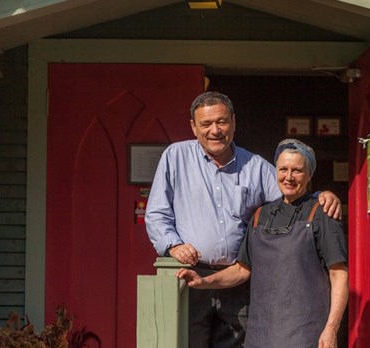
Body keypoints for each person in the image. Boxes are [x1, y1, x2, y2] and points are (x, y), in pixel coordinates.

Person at [145, 92, 342, 348]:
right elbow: (156, 214)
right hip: (192, 277)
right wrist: (173, 245)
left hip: (239, 281)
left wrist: (321, 196)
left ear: (234, 122)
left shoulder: (256, 166)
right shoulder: (175, 157)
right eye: (206, 124)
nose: (215, 130)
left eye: (222, 121)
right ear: (194, 127)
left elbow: (291, 190)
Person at [176, 139, 348, 348]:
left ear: (309, 174)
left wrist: (331, 328)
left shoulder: (322, 214)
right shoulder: (260, 216)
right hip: (261, 332)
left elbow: (339, 275)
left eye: (297, 171)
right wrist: (204, 282)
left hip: (305, 332)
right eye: (283, 169)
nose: (289, 177)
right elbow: (241, 270)